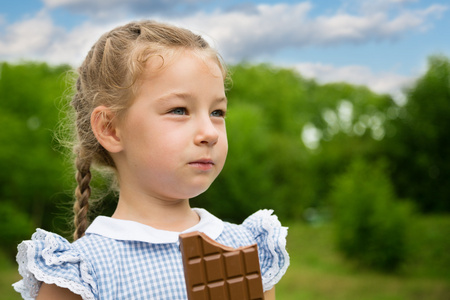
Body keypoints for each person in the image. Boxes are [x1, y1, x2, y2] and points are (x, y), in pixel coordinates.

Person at [13, 20, 289, 300]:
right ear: (110, 129)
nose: (209, 132)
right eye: (179, 110)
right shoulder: (80, 275)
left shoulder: (247, 249)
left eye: (217, 112)